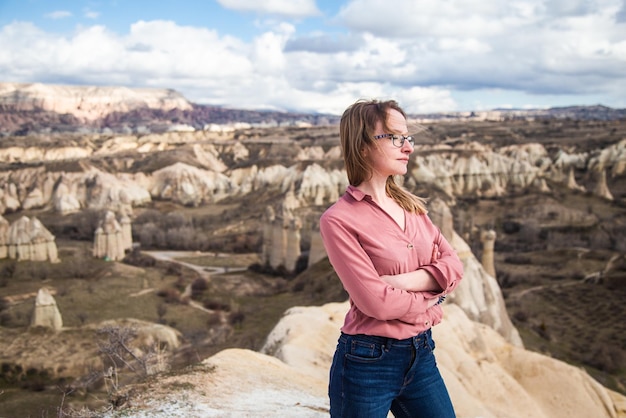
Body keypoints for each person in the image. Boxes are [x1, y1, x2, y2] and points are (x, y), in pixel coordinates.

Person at [319, 99, 464, 418]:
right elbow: (376, 304)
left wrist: (405, 283)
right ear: (363, 146)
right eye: (396, 138)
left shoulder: (414, 208)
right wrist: (432, 299)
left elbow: (454, 267)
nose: (408, 147)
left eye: (408, 138)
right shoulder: (339, 220)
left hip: (422, 355)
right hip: (366, 364)